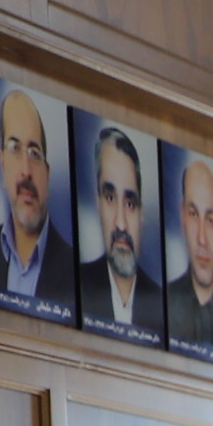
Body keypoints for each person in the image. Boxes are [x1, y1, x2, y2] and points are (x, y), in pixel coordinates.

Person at [0, 83, 72, 311]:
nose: (26, 170)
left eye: (34, 153)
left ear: (47, 175)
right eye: (15, 148)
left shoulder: (76, 272)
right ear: (2, 164)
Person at [80, 126, 154, 337]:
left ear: (141, 214)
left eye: (130, 203)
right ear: (98, 205)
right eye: (110, 198)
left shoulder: (160, 304)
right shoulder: (75, 287)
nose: (121, 224)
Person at [164, 152, 213, 354]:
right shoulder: (162, 303)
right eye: (193, 215)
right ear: (182, 218)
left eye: (210, 220)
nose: (202, 239)